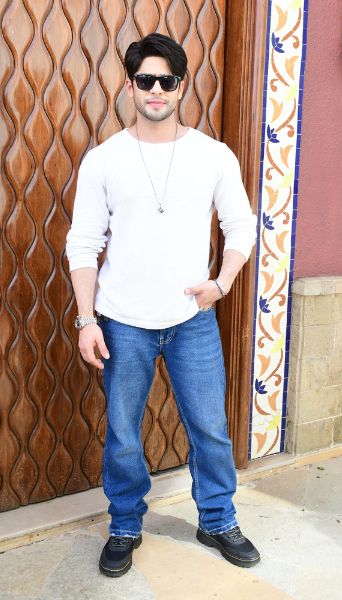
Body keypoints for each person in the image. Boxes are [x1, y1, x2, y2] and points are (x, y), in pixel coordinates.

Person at [65, 32, 260, 578]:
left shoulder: (212, 155)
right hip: (122, 322)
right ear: (129, 86)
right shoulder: (104, 160)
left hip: (192, 320)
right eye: (145, 79)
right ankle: (125, 525)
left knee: (211, 430)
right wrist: (86, 320)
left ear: (180, 87)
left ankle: (218, 520)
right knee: (124, 435)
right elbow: (82, 243)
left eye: (166, 80)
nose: (156, 89)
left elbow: (241, 224)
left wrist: (221, 283)